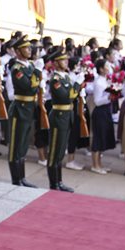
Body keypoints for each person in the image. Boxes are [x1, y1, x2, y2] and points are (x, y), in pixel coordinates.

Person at [5, 34, 39, 187]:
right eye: (25, 48)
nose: (29, 50)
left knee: (24, 144)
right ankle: (16, 179)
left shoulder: (30, 66)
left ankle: (22, 178)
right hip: (19, 109)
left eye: (29, 47)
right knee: (16, 145)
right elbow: (29, 86)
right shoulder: (16, 68)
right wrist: (38, 73)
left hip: (29, 108)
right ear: (18, 52)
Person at [44, 46, 75, 192]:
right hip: (58, 117)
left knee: (61, 152)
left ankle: (59, 181)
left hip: (66, 116)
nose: (66, 61)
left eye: (66, 59)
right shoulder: (55, 79)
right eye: (62, 60)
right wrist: (76, 85)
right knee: (54, 152)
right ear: (56, 63)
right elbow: (67, 96)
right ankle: (53, 183)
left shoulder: (65, 77)